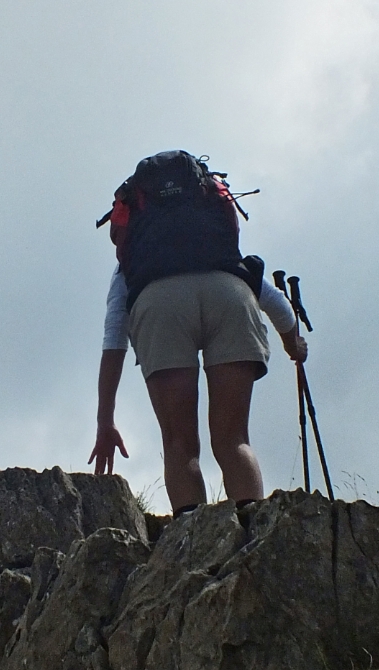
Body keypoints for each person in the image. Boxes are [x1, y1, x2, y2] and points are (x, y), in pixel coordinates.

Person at [88, 152, 308, 516]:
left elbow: (115, 337)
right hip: (230, 296)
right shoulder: (218, 248)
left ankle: (193, 541)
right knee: (234, 439)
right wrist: (292, 344)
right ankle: (252, 531)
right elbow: (270, 297)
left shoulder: (133, 264)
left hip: (159, 304)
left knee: (179, 445)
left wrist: (105, 421)